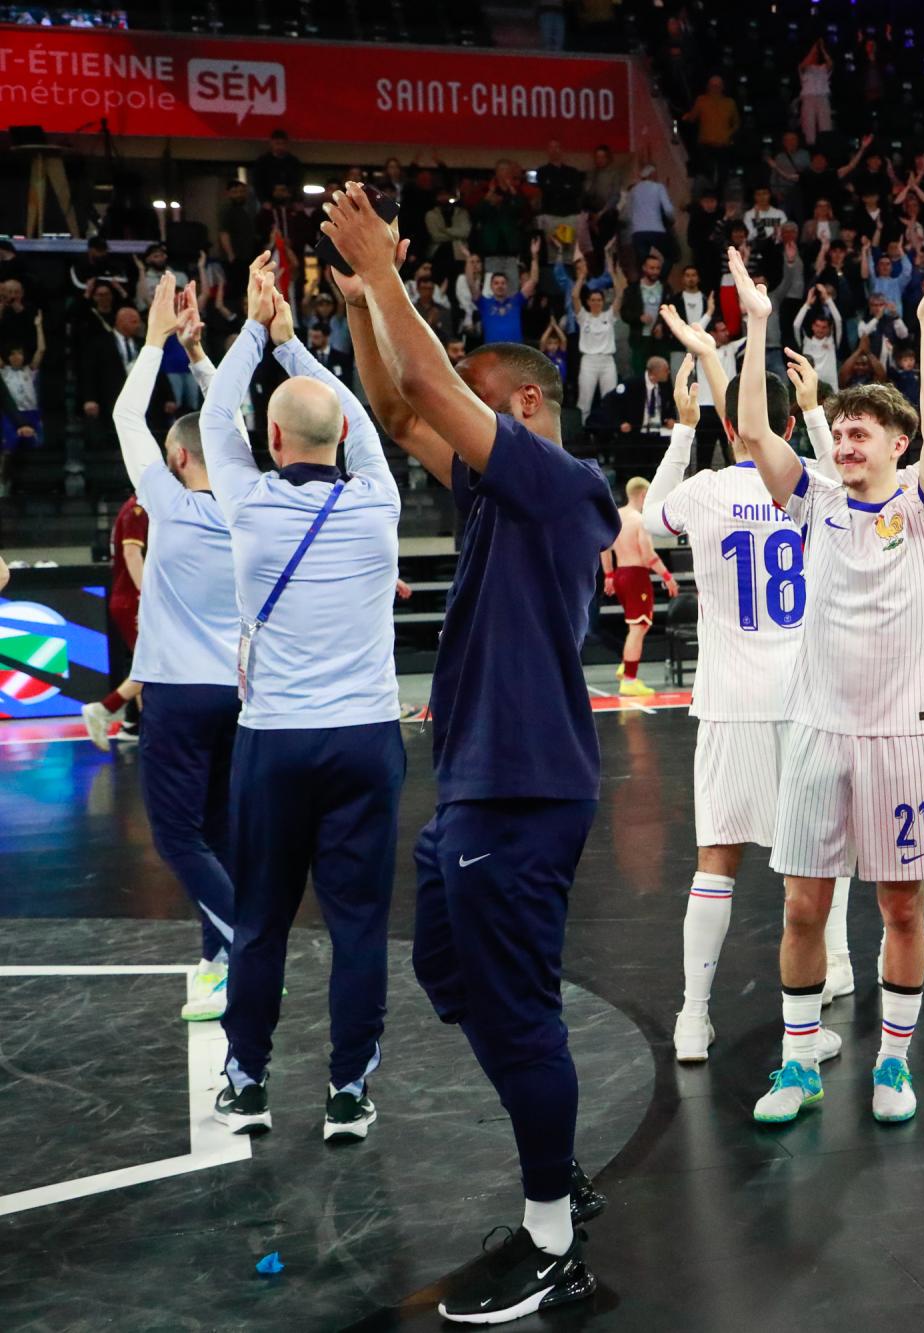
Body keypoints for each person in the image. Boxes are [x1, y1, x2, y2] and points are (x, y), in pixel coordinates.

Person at [322, 181, 617, 1323]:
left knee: (518, 1010)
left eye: (478, 414)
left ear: (527, 407)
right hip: (476, 793)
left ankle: (552, 1232)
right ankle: (551, 1160)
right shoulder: (498, 494)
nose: (452, 431)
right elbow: (401, 413)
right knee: (459, 980)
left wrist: (393, 276)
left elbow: (434, 391)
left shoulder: (561, 485)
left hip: (523, 792)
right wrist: (359, 303)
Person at [731, 248, 924, 1128]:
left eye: (863, 430)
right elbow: (757, 432)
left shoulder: (921, 507)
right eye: (841, 429)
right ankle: (799, 1063)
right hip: (819, 731)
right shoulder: (815, 498)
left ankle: (895, 1065)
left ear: (896, 445)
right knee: (801, 901)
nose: (845, 438)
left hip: (904, 735)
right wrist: (756, 325)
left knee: (902, 904)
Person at [201, 253, 406, 1148]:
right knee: (359, 926)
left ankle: (247, 1082)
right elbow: (357, 418)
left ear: (271, 443)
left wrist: (254, 331)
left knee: (261, 921)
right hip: (363, 739)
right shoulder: (379, 504)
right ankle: (349, 1093)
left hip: (275, 743)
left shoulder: (244, 502)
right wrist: (297, 350)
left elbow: (216, 414)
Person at [643, 324, 856, 1062]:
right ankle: (836, 967)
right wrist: (820, 412)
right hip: (808, 695)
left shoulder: (702, 491)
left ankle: (693, 1016)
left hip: (730, 697)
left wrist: (682, 427)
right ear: (787, 423)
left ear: (729, 424)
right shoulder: (814, 489)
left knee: (717, 860)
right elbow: (849, 480)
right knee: (820, 854)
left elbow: (646, 520)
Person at [111, 275, 240, 1022]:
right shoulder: (253, 500)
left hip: (179, 693)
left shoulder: (165, 498)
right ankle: (218, 960)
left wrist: (156, 340)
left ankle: (247, 949)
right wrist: (198, 356)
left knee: (178, 836)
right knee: (219, 832)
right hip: (238, 693)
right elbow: (241, 429)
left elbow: (128, 411)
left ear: (175, 455)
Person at [600, 476, 678, 696]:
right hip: (635, 575)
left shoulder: (616, 517)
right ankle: (630, 679)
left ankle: (627, 664)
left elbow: (603, 548)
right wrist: (667, 576)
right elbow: (648, 553)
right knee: (639, 627)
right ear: (644, 494)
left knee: (635, 625)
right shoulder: (639, 520)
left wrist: (608, 575)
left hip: (620, 575)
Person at [84, 490, 147, 748]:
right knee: (154, 666)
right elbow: (132, 554)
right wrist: (148, 597)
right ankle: (103, 709)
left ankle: (140, 726)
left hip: (129, 598)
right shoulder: (138, 509)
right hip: (134, 599)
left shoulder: (133, 506)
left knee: (147, 665)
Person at [571, 257, 625, 418]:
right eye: (593, 300)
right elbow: (574, 297)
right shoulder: (583, 317)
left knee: (610, 399)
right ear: (588, 302)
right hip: (588, 361)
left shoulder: (609, 315)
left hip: (607, 361)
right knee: (584, 401)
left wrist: (613, 273)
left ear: (603, 301)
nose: (596, 303)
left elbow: (620, 295)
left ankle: (610, 432)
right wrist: (581, 277)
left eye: (599, 300)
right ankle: (582, 435)